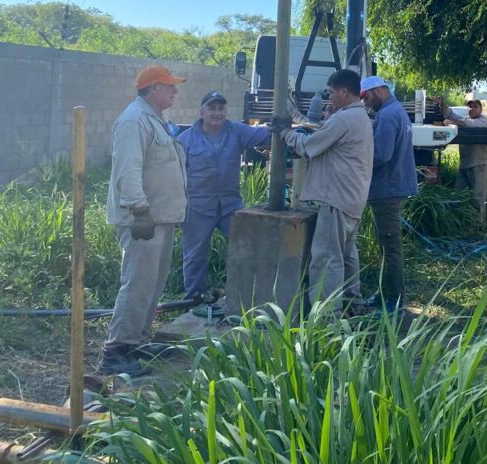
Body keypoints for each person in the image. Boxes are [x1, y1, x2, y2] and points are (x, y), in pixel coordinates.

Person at [99, 65, 188, 376]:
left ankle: (137, 342)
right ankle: (115, 353)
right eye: (169, 86)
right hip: (143, 219)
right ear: (152, 88)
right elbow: (128, 169)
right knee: (137, 284)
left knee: (152, 283)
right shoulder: (134, 121)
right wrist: (139, 210)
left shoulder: (155, 120)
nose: (175, 91)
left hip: (160, 218)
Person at [280, 69, 373, 313]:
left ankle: (326, 317)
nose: (329, 98)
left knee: (326, 259)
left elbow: (310, 146)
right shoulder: (359, 116)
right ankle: (354, 304)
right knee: (347, 255)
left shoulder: (343, 119)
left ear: (344, 91)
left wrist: (286, 134)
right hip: (353, 198)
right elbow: (324, 134)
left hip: (336, 199)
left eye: (332, 93)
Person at [176, 91, 272, 301]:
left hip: (230, 205)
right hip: (197, 207)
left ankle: (244, 294)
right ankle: (195, 298)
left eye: (221, 108)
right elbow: (174, 177)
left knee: (246, 246)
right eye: (212, 108)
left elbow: (265, 135)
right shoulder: (185, 141)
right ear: (202, 112)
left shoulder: (236, 131)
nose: (217, 113)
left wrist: (280, 127)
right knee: (195, 254)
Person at [359, 75, 417, 312]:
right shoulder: (397, 110)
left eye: (366, 97)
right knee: (387, 246)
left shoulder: (387, 115)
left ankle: (394, 300)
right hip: (393, 186)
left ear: (378, 90)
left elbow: (380, 155)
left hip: (387, 188)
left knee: (390, 247)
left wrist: (354, 162)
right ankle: (385, 293)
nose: (365, 103)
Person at [438, 94, 487, 223]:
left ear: (481, 109)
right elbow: (452, 115)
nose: (472, 109)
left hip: (479, 164)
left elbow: (467, 123)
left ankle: (480, 225)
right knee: (458, 193)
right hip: (465, 164)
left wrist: (452, 123)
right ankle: (459, 222)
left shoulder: (484, 121)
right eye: (470, 106)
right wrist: (442, 104)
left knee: (478, 197)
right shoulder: (465, 119)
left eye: (475, 106)